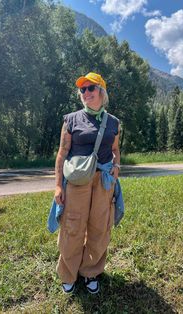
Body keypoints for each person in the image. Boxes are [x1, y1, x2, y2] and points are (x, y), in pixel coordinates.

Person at [54, 72, 121, 294]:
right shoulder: (71, 119)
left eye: (90, 88)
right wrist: (57, 185)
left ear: (102, 91)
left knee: (99, 227)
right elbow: (62, 153)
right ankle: (68, 274)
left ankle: (90, 272)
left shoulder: (114, 123)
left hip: (103, 181)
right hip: (77, 181)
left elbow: (115, 150)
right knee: (72, 226)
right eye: (82, 90)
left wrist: (116, 169)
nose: (86, 93)